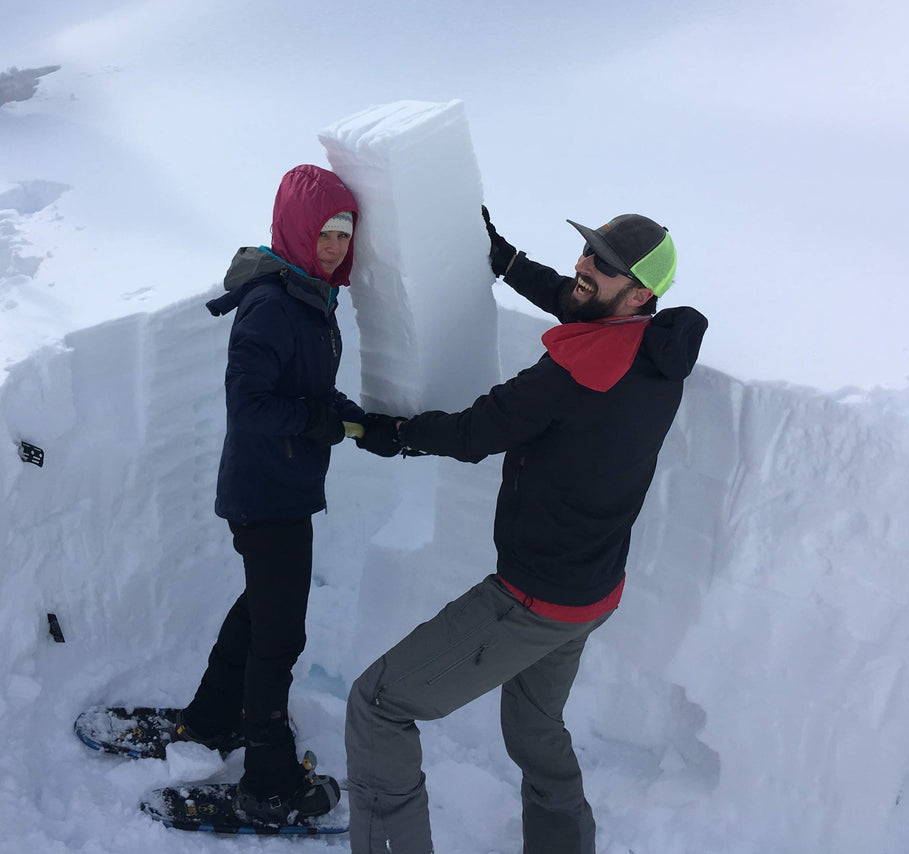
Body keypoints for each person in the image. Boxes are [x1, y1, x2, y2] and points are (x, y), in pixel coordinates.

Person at [346, 209, 708, 853]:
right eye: (587, 251)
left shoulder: (578, 376)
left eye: (602, 264)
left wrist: (392, 434)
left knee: (378, 705)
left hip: (530, 600)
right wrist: (508, 262)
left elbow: (474, 432)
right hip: (591, 592)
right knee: (534, 728)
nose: (582, 267)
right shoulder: (654, 348)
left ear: (640, 293)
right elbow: (581, 306)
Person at [176, 164, 396, 822]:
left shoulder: (309, 295)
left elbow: (309, 393)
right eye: (323, 233)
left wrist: (355, 420)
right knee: (280, 635)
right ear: (298, 231)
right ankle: (268, 780)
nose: (333, 246)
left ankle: (212, 719)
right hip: (264, 494)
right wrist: (317, 421)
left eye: (343, 235)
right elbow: (249, 405)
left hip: (283, 488)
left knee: (259, 613)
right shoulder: (274, 303)